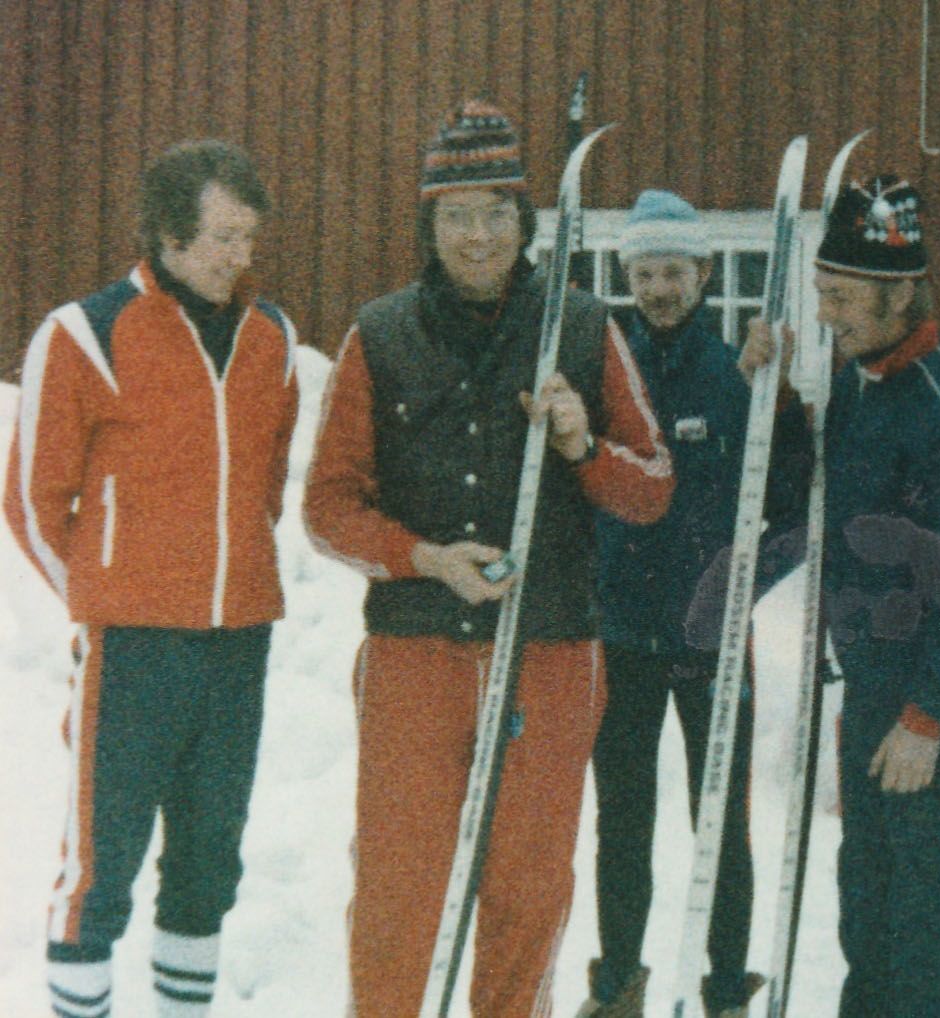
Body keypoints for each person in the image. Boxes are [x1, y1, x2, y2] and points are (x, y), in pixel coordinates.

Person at [303, 100, 672, 1018]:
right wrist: (422, 557)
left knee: (528, 884)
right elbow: (326, 507)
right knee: (399, 889)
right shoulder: (379, 334)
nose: (478, 236)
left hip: (546, 652)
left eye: (497, 213)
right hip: (413, 653)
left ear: (525, 221)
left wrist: (583, 446)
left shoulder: (580, 328)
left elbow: (654, 486)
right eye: (456, 215)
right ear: (429, 226)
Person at [4, 139, 297, 1018]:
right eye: (222, 237)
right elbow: (28, 500)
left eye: (250, 238)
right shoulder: (84, 332)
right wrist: (106, 596)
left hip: (238, 643)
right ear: (169, 234)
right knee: (102, 865)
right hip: (133, 650)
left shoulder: (270, 340)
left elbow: (266, 486)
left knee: (210, 860)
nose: (240, 258)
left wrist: (224, 569)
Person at [749, 174, 940, 1017]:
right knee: (868, 890)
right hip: (869, 683)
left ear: (898, 292)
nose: (825, 312)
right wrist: (774, 398)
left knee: (930, 901)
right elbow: (809, 505)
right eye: (820, 292)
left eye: (840, 295)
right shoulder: (862, 387)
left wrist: (929, 716)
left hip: (934, 694)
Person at [577, 190, 795, 1018]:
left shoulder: (731, 373)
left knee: (721, 822)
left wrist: (746, 585)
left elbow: (779, 495)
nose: (659, 288)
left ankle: (723, 985)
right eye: (643, 272)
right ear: (625, 277)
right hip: (623, 634)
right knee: (622, 817)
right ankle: (617, 984)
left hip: (708, 637)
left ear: (702, 274)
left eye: (673, 271)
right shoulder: (607, 367)